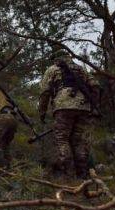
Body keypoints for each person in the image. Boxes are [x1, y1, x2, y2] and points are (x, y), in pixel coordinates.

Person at [38, 49, 100, 179]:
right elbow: (95, 85)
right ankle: (82, 175)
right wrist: (93, 104)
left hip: (63, 105)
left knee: (62, 139)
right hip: (84, 106)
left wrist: (42, 111)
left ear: (56, 58)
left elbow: (45, 92)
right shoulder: (82, 69)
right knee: (78, 141)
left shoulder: (53, 68)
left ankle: (68, 174)